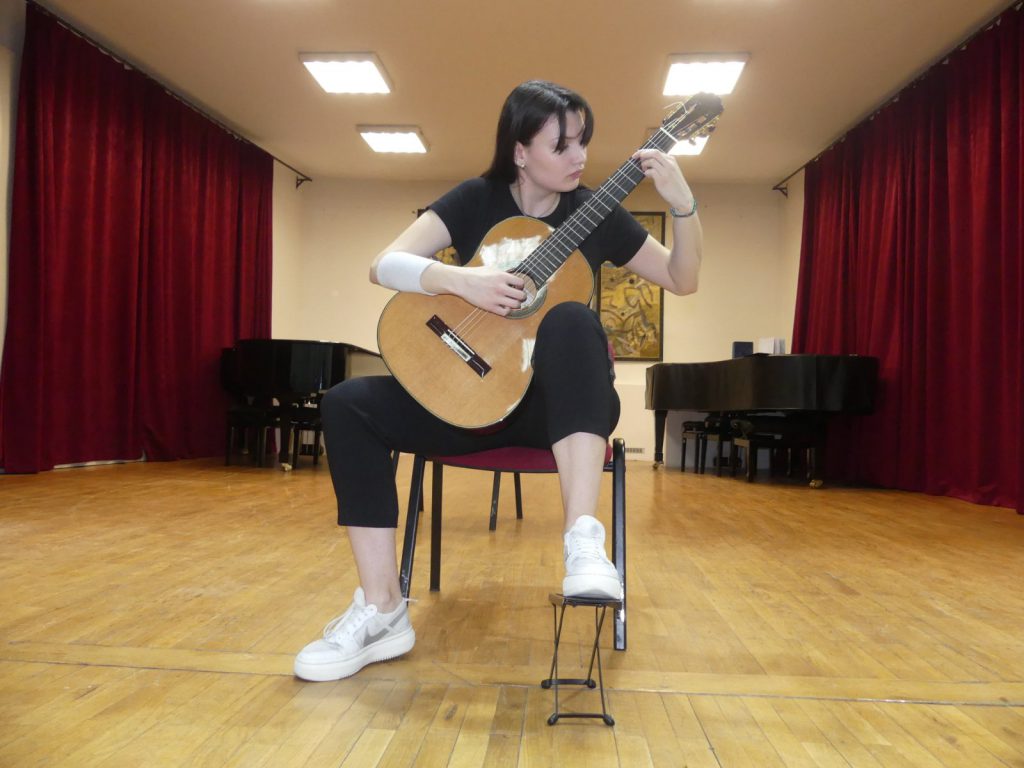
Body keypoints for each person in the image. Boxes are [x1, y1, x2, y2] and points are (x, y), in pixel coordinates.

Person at [294, 80, 702, 682]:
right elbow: (384, 265)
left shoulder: (596, 211)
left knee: (572, 319)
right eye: (562, 144)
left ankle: (582, 541)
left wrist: (684, 207)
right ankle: (382, 610)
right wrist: (464, 282)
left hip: (551, 416)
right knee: (348, 402)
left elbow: (682, 278)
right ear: (519, 150)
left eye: (583, 141)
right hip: (466, 403)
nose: (579, 156)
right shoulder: (476, 199)